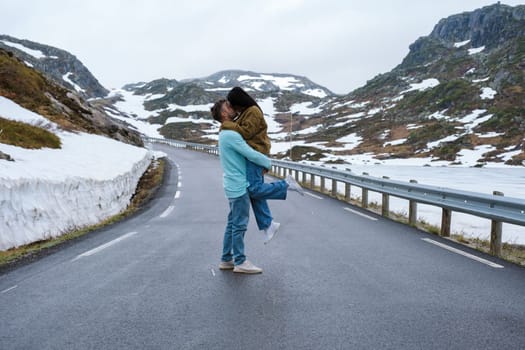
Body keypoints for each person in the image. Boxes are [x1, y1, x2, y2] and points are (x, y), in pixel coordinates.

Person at [221, 87, 304, 244]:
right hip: (252, 157)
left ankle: (286, 184)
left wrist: (226, 124)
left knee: (253, 190)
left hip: (255, 155)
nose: (233, 109)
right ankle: (268, 225)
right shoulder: (246, 112)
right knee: (254, 192)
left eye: (233, 105)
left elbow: (245, 133)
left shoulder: (253, 111)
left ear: (239, 101)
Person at [210, 98, 271, 274]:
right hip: (238, 185)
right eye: (228, 106)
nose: (233, 107)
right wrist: (268, 163)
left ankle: (226, 259)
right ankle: (240, 261)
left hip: (232, 184)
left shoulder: (225, 134)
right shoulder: (231, 134)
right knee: (239, 225)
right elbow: (250, 153)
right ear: (223, 113)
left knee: (232, 224)